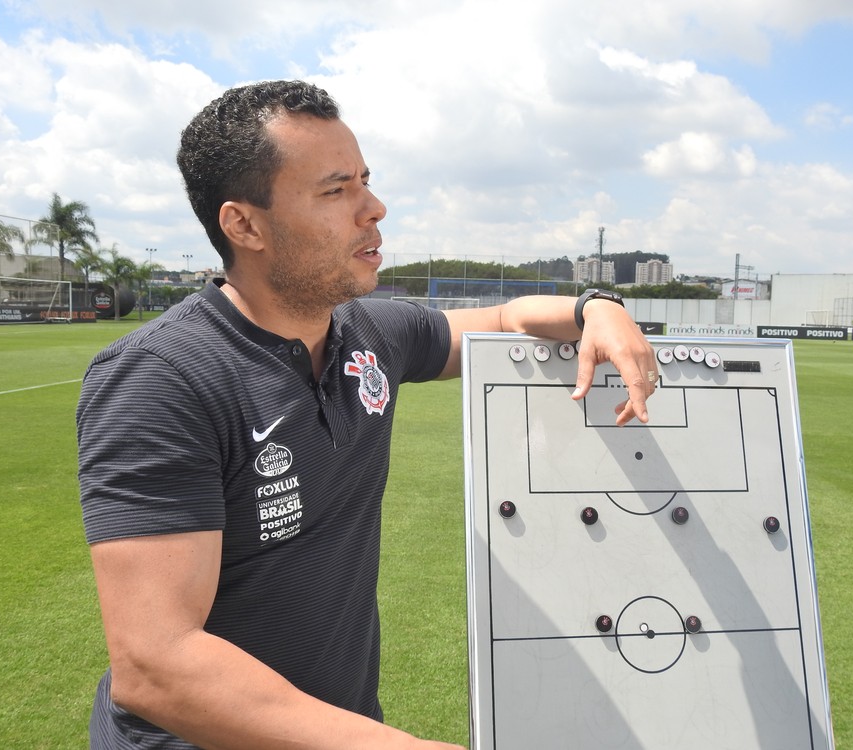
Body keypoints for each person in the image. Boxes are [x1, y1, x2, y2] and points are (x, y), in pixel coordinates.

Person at [77, 79, 657, 749]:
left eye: (365, 182)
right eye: (335, 191)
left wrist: (598, 306)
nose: (373, 208)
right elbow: (158, 666)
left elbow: (505, 318)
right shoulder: (163, 379)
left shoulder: (372, 332)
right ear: (244, 224)